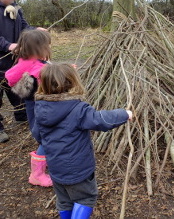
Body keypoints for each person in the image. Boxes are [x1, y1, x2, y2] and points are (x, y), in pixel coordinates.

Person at [32, 63, 133, 219]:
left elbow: (38, 135)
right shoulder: (78, 109)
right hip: (78, 171)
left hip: (56, 169)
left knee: (64, 201)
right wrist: (124, 114)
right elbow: (101, 120)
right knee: (86, 198)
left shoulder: (40, 109)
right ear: (72, 83)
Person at [0, 0, 46, 142]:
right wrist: (8, 45)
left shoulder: (16, 8)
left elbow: (24, 27)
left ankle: (21, 116)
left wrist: (35, 31)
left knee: (16, 91)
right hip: (1, 58)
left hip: (13, 61)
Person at [5, 29, 53, 187]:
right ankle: (37, 174)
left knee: (45, 136)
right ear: (37, 49)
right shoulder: (35, 67)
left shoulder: (29, 62)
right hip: (41, 108)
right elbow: (52, 81)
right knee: (45, 138)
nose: (49, 49)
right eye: (46, 46)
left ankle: (46, 164)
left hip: (37, 105)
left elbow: (11, 76)